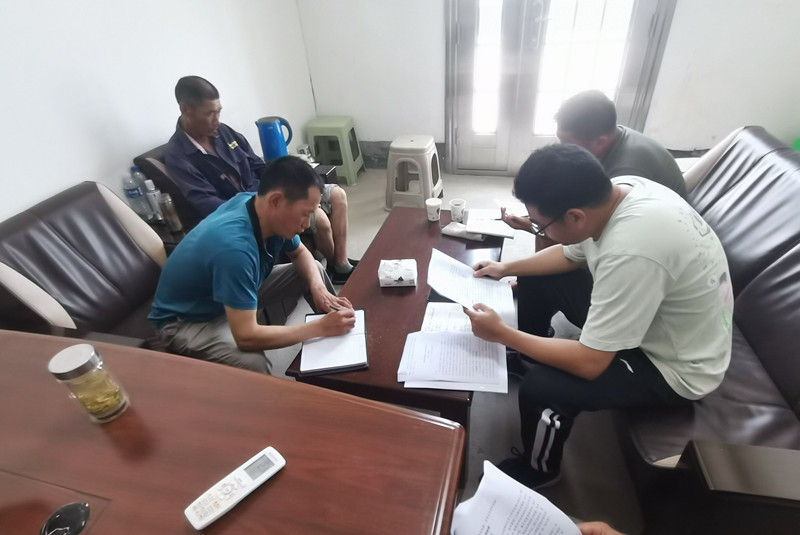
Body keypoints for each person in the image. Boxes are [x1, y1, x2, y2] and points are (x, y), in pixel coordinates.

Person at [465, 144, 733, 489]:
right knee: (536, 274)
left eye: (541, 225)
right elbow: (571, 254)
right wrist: (506, 267)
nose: (540, 232)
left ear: (575, 217)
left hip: (675, 365)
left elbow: (590, 362)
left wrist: (502, 333)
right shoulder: (621, 190)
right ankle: (527, 357)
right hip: (658, 318)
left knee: (543, 388)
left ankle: (540, 469)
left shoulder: (632, 250)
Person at [148, 156, 356, 374]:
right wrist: (317, 328)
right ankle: (328, 330)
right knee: (252, 361)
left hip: (227, 291)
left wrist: (319, 289)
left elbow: (300, 252)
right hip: (187, 321)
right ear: (276, 200)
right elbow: (246, 337)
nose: (306, 225)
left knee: (314, 269)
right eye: (305, 214)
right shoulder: (234, 249)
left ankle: (342, 341)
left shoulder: (259, 206)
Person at [164, 75, 357, 284]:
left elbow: (258, 165)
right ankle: (336, 266)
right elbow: (208, 203)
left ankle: (340, 263)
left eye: (218, 111)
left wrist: (290, 188)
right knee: (319, 219)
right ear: (185, 109)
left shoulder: (224, 132)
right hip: (255, 209)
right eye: (209, 113)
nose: (217, 120)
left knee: (338, 195)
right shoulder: (178, 156)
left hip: (273, 193)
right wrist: (279, 203)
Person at [502, 89, 686, 241]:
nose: (561, 147)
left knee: (553, 225)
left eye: (567, 142)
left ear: (600, 141)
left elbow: (591, 226)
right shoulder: (610, 134)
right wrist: (535, 222)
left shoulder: (627, 170)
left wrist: (539, 226)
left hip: (647, 235)